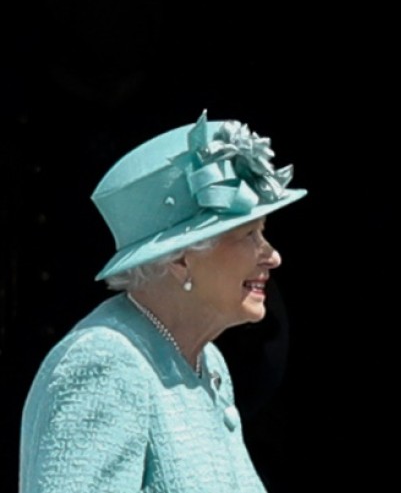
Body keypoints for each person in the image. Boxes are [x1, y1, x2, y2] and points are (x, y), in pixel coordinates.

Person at [19, 111, 306, 492]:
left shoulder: (203, 360)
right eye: (249, 234)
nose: (272, 256)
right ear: (181, 258)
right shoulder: (105, 365)